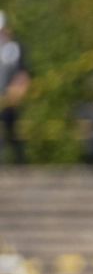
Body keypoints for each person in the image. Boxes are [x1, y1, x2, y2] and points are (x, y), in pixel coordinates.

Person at [0, 11, 30, 165]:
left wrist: (17, 92)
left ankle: (20, 163)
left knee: (11, 131)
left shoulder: (13, 48)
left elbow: (22, 74)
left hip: (8, 100)